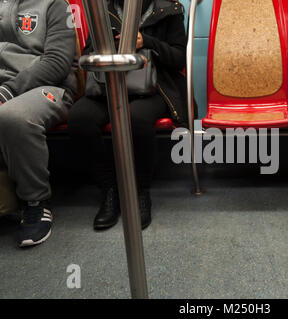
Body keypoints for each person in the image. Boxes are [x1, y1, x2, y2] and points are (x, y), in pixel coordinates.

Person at [68, 0, 190, 231]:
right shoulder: (103, 9)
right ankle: (109, 190)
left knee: (136, 119)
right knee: (80, 119)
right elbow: (87, 54)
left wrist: (147, 43)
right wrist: (107, 48)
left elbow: (178, 58)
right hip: (109, 86)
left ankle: (140, 191)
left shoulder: (169, 8)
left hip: (154, 86)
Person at [0, 0, 78, 246]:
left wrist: (8, 91)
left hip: (47, 86)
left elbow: (57, 61)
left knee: (14, 117)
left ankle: (35, 202)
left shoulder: (55, 5)